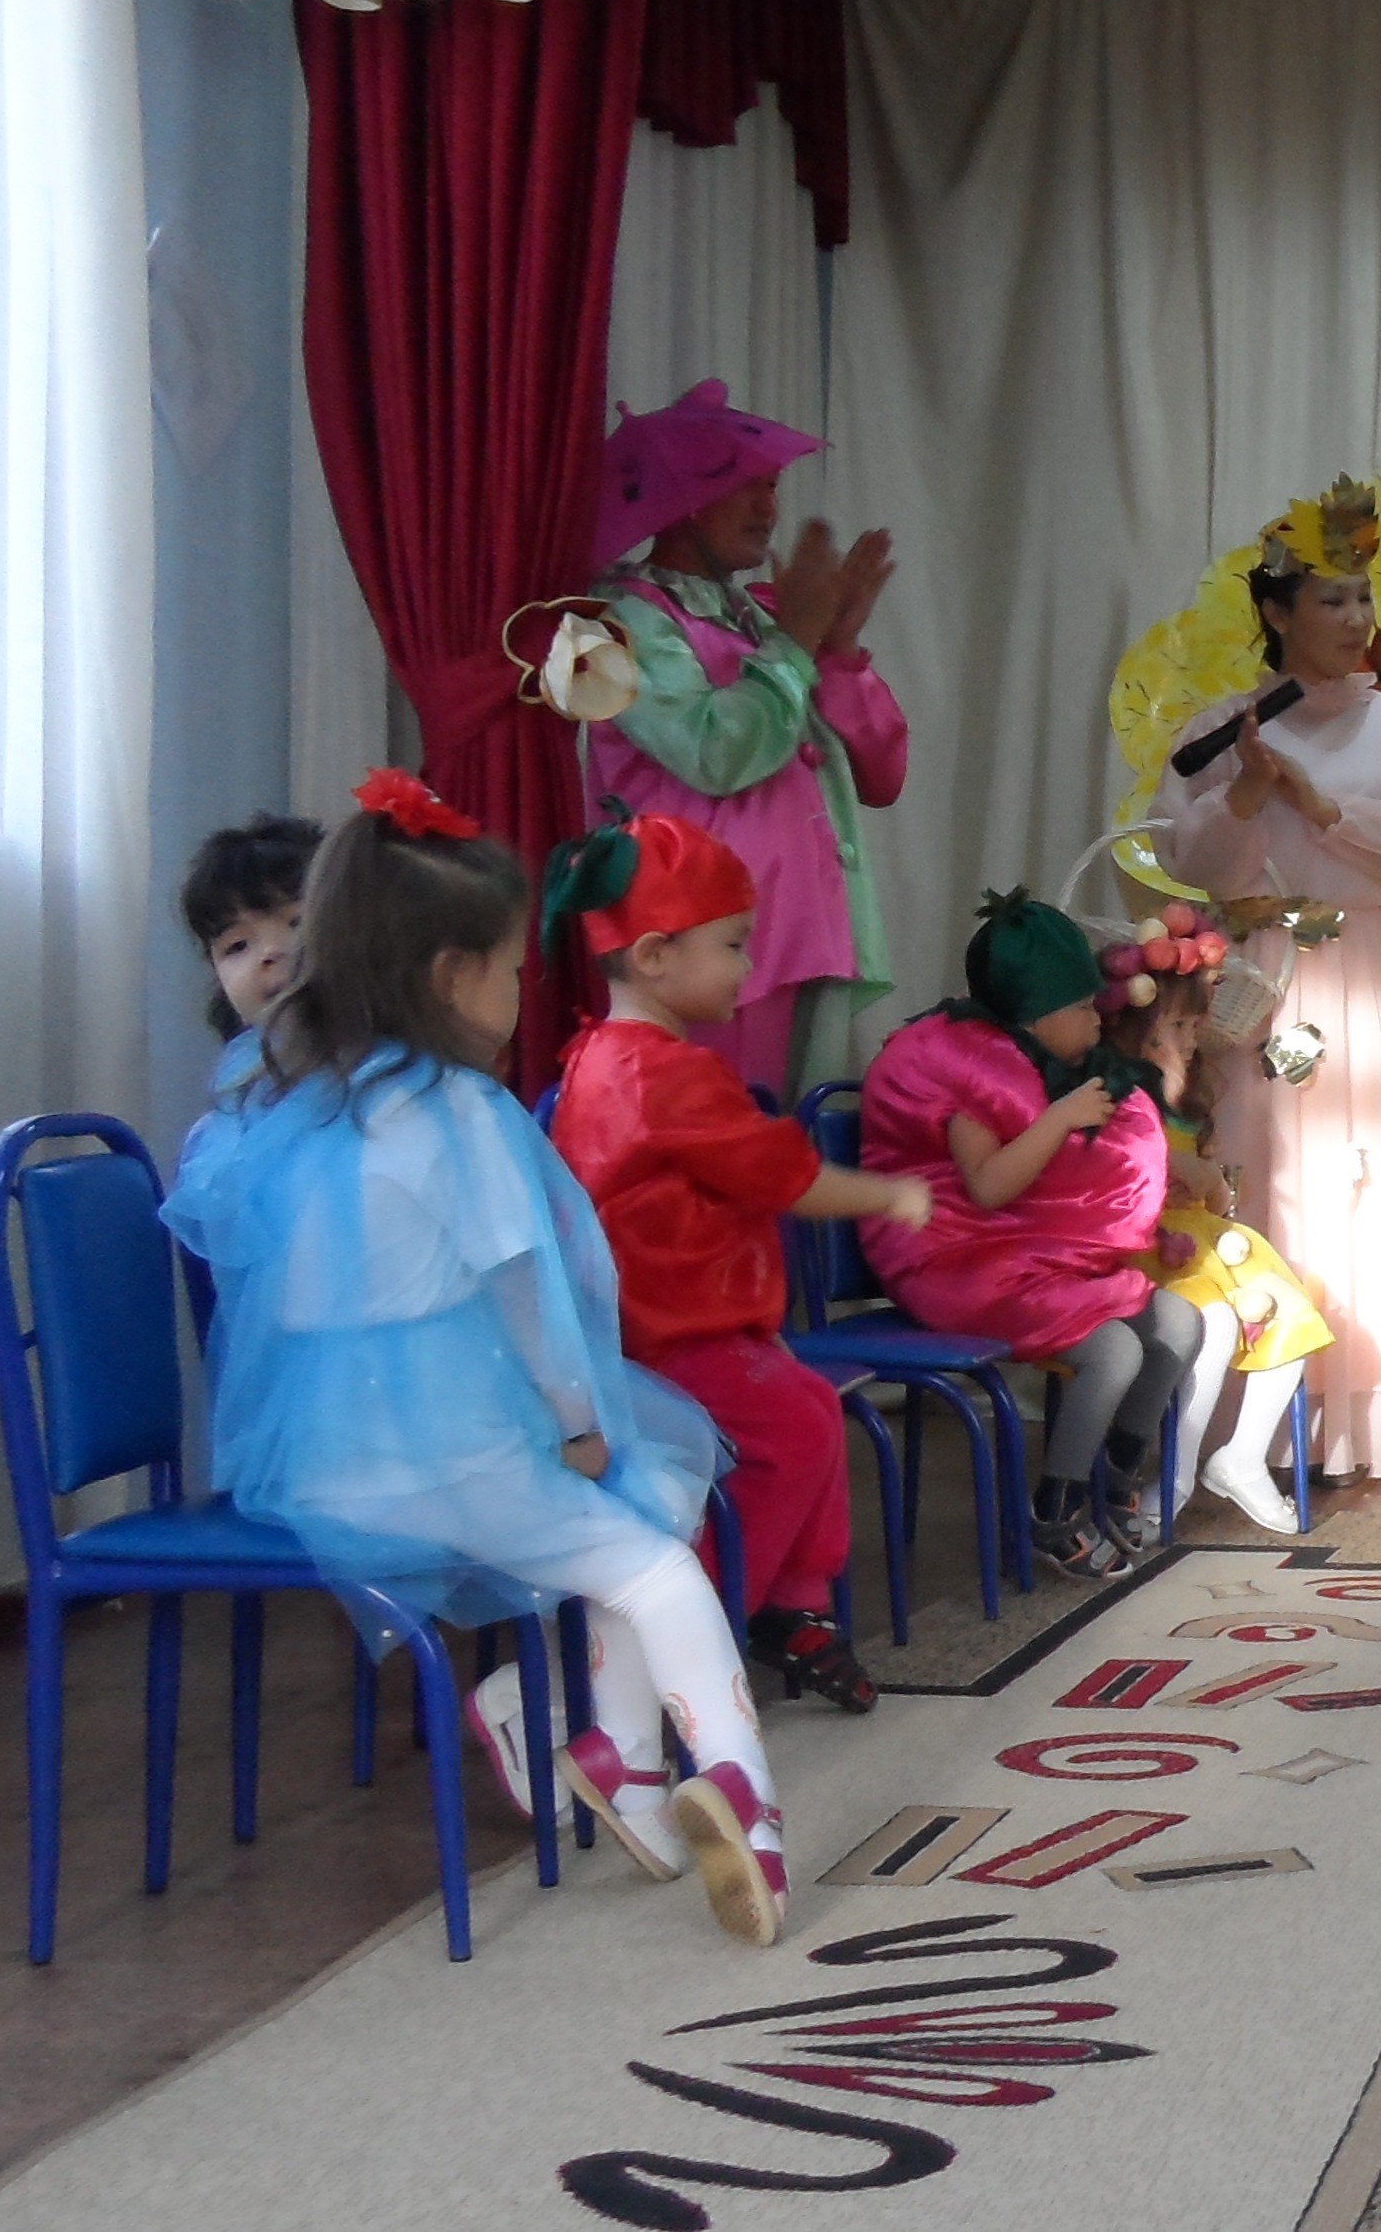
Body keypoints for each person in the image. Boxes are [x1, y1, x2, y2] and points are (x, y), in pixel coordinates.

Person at [159, 774, 784, 1945]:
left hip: (320, 1468)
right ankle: (744, 1802)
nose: (518, 990)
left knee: (639, 1504)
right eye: (508, 969)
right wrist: (577, 1419)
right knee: (654, 1549)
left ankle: (628, 1766)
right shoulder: (459, 1111)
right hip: (448, 1458)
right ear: (451, 977)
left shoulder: (279, 1106)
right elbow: (531, 1298)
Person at [541, 809, 931, 1713]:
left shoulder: (603, 1055)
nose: (749, 967)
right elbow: (787, 1177)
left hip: (666, 1327)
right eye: (733, 944)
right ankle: (688, 1628)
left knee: (806, 1409)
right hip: (661, 1337)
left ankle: (792, 1604)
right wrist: (888, 1195)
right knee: (794, 1426)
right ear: (654, 955)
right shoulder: (663, 1074)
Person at [1147, 476, 1381, 1494]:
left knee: (1366, 1174)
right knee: (1266, 1164)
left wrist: (1322, 805)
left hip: (1361, 964)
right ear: (1278, 612)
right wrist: (1250, 789)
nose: (1355, 617)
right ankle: (1248, 1421)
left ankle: (1357, 1416)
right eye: (1331, 598)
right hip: (1264, 971)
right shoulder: (1225, 727)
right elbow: (1191, 858)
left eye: (1363, 596)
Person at [855, 894, 1205, 1581]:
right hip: (956, 1267)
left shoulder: (1038, 1063)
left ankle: (1115, 1477)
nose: (1097, 1018)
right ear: (1034, 1016)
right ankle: (1053, 1509)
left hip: (1026, 1257)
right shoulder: (968, 1071)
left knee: (1179, 1325)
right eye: (1081, 1007)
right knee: (1111, 1352)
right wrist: (1063, 1118)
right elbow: (989, 1187)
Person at [588, 381, 908, 1101]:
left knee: (790, 1144)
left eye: (771, 487)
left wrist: (839, 647)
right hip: (695, 946)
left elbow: (883, 775)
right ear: (683, 498)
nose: (768, 508)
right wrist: (797, 639)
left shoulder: (762, 618)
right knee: (716, 1139)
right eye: (745, 486)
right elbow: (717, 753)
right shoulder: (618, 622)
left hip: (807, 932)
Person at [1109, 964, 1331, 1536]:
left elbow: (1215, 1191)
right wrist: (1179, 1173)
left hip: (1202, 1237)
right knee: (1213, 1323)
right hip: (1144, 1244)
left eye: (1194, 1026)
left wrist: (1210, 1182)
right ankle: (1176, 1475)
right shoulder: (1116, 1099)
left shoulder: (1189, 1101)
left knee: (1290, 1309)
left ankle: (1243, 1456)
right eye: (1177, 1027)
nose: (1191, 1040)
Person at [176, 811, 319, 1046]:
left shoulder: (383, 1057)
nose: (270, 952)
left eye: (297, 923)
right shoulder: (243, 1066)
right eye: (238, 946)